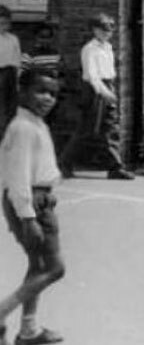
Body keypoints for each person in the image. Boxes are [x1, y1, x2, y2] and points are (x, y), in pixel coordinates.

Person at [0, 67, 65, 345]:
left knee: (38, 265)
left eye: (52, 93)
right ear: (21, 92)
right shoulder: (24, 128)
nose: (47, 98)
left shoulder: (35, 123)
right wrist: (28, 217)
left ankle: (28, 330)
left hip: (39, 201)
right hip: (30, 205)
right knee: (55, 268)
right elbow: (16, 177)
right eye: (40, 91)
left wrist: (50, 189)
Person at [59, 13, 134, 180]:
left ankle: (115, 167)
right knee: (89, 129)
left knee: (108, 127)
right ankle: (65, 162)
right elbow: (92, 76)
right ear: (95, 30)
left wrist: (110, 89)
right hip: (94, 91)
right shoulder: (89, 50)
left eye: (110, 30)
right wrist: (105, 93)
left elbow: (109, 72)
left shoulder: (108, 47)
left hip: (107, 85)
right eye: (103, 30)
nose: (107, 33)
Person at [0, 6, 22, 141]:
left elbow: (17, 59)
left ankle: (9, 134)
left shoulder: (13, 39)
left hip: (11, 74)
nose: (4, 26)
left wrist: (18, 79)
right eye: (1, 23)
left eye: (6, 23)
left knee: (11, 106)